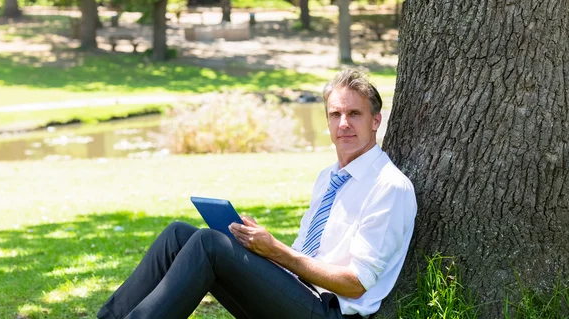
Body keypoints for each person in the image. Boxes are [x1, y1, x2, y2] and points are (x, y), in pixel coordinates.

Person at [97, 69, 417, 319]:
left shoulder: (388, 187)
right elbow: (306, 255)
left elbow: (355, 284)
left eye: (354, 114)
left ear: (376, 121)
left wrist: (275, 251)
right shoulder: (329, 178)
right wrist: (260, 248)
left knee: (210, 244)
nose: (343, 123)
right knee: (178, 234)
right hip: (295, 294)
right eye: (335, 114)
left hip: (328, 311)